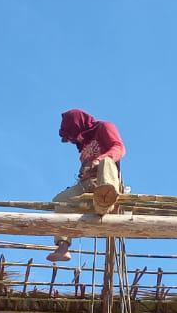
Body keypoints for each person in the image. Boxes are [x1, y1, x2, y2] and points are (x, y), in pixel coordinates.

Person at [47, 108, 125, 262]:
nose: (71, 140)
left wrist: (99, 160)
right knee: (60, 200)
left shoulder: (103, 127)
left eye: (70, 135)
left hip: (105, 180)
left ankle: (107, 196)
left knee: (106, 162)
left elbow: (119, 148)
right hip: (88, 188)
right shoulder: (83, 145)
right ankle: (63, 247)